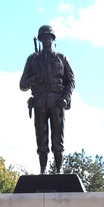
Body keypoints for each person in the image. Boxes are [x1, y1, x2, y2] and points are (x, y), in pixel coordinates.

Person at [20, 25, 75, 174]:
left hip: (57, 102)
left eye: (49, 37)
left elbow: (71, 81)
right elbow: (22, 84)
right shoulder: (32, 59)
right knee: (41, 137)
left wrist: (66, 97)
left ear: (53, 39)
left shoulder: (61, 58)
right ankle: (43, 169)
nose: (46, 40)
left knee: (58, 138)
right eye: (43, 37)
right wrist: (35, 79)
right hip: (39, 102)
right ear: (40, 39)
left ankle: (59, 169)